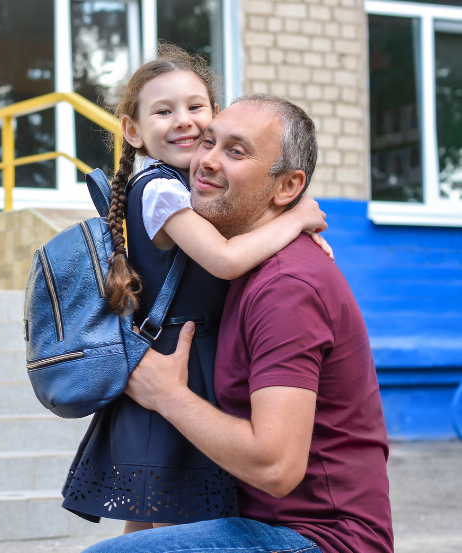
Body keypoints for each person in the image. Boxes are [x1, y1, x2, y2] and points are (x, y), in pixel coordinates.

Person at [82, 94, 393, 553]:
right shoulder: (232, 270)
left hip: (321, 540)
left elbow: (275, 468)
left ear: (287, 188)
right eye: (208, 142)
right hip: (247, 521)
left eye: (235, 151)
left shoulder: (287, 285)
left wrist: (168, 396)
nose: (205, 161)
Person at [61, 45, 332, 533]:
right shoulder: (161, 190)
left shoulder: (188, 188)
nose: (183, 120)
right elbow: (226, 261)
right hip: (181, 363)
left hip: (181, 359)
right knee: (174, 513)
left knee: (153, 512)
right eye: (163, 111)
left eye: (195, 107)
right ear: (133, 131)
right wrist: (297, 220)